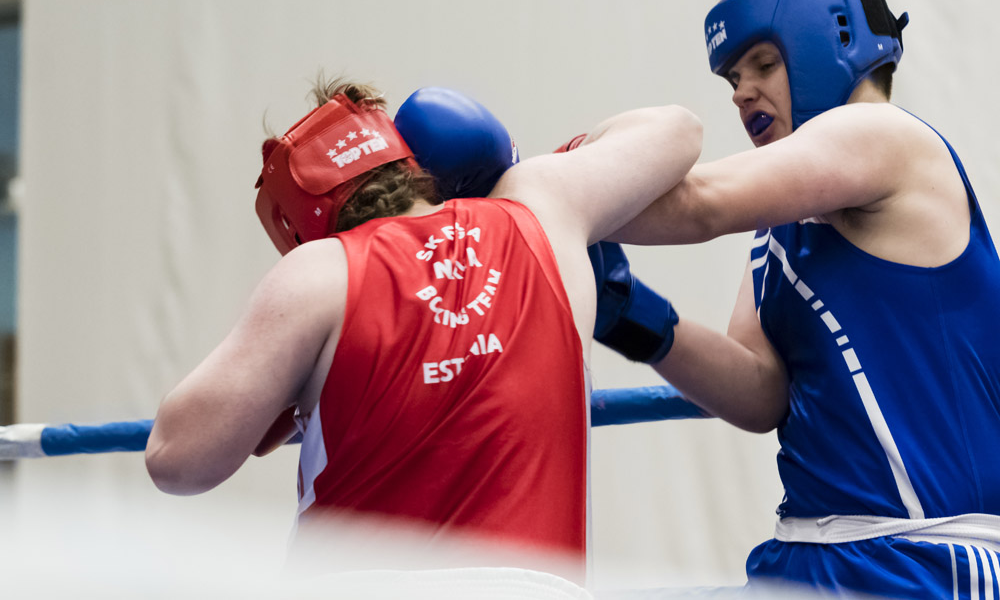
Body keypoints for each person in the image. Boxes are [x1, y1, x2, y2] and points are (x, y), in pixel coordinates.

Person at [144, 77, 702, 584]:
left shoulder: (318, 272)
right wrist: (531, 176)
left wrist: (283, 380)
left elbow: (175, 460)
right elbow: (678, 129)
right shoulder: (541, 209)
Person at [595, 0, 1000, 597]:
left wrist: (528, 195)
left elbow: (699, 205)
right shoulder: (779, 227)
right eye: (733, 79)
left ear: (825, 46)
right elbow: (761, 394)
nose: (741, 93)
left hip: (920, 562)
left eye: (762, 65)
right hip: (801, 556)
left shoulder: (884, 134)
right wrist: (629, 313)